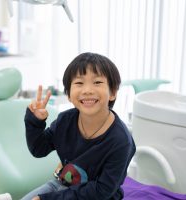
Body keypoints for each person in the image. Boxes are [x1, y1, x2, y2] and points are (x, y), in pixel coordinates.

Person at [23, 52, 136, 200]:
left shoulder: (121, 141)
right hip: (62, 186)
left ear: (113, 92)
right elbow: (39, 149)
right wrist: (35, 121)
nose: (87, 90)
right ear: (69, 94)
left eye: (97, 82)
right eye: (79, 83)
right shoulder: (65, 120)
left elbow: (102, 190)